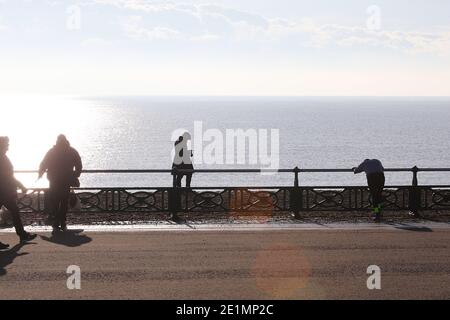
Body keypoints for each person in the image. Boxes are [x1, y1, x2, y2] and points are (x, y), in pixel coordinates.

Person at [39, 135, 82, 233]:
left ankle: (55, 221)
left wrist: (40, 173)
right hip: (66, 181)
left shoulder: (52, 152)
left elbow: (43, 163)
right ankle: (62, 221)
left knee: (55, 201)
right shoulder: (72, 151)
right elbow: (79, 165)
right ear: (66, 141)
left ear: (57, 141)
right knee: (64, 202)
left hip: (54, 180)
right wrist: (75, 175)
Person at [0, 136, 37, 247]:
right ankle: (22, 234)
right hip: (3, 191)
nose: (8, 146)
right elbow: (8, 176)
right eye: (7, 144)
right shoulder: (2, 157)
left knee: (15, 211)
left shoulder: (3, 156)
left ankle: (22, 234)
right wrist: (21, 185)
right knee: (15, 211)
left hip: (4, 191)